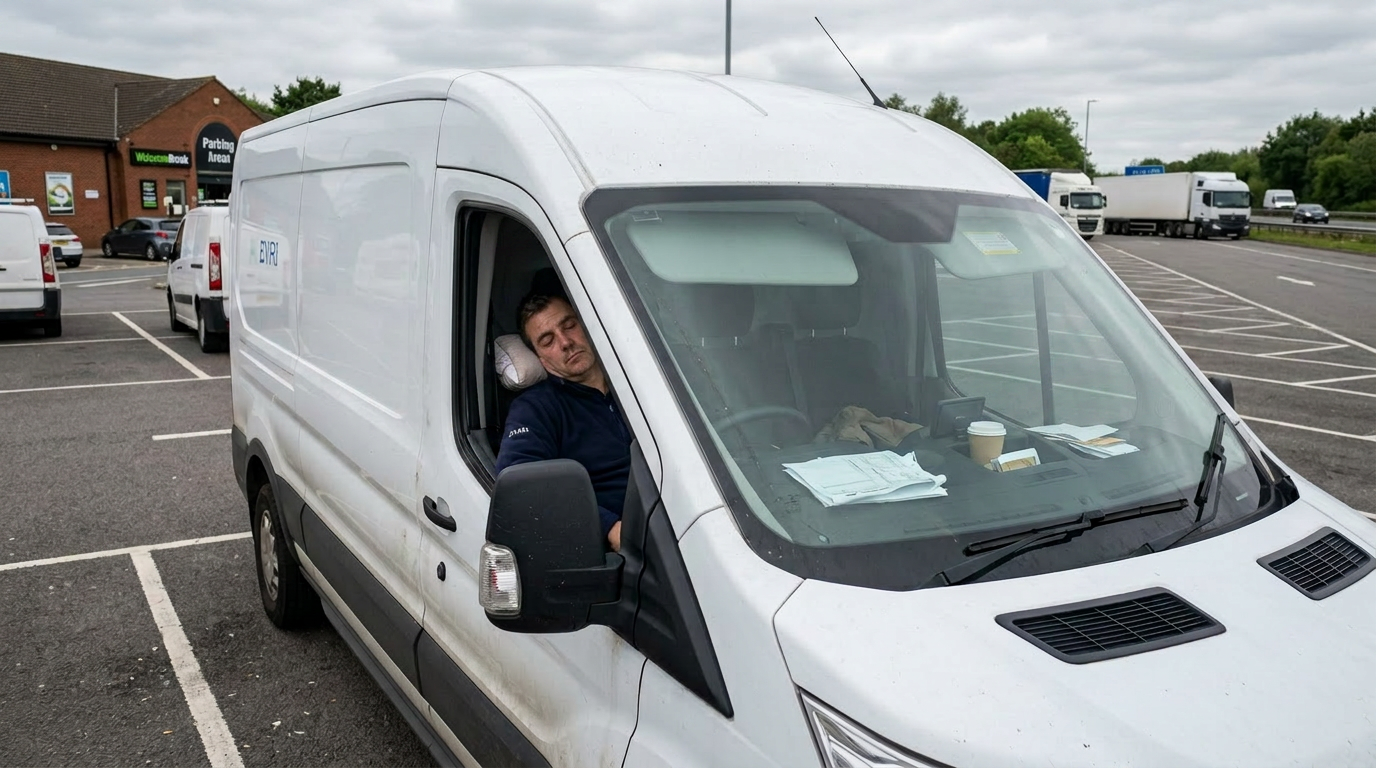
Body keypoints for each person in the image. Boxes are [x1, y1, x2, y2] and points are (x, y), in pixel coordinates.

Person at [494, 291, 632, 551]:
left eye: (569, 325)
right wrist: (609, 529)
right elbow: (520, 485)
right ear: (541, 359)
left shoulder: (637, 382)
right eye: (547, 341)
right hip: (622, 546)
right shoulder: (535, 409)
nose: (566, 342)